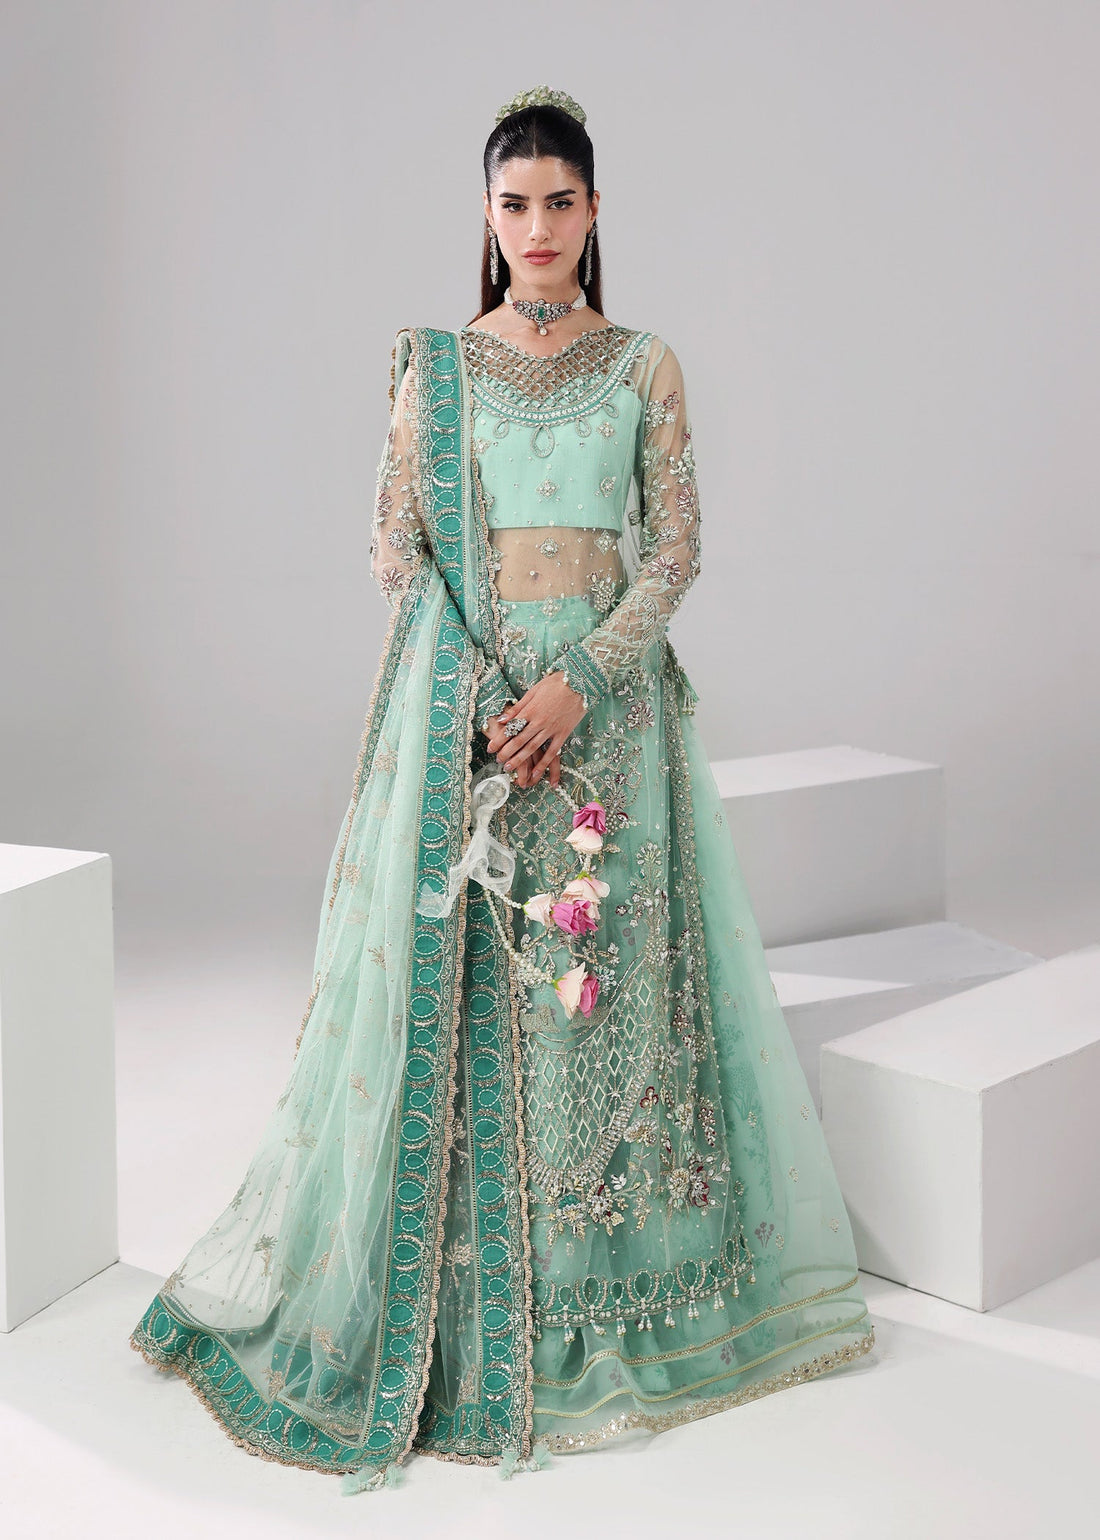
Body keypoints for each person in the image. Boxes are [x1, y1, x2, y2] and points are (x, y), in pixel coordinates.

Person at [129, 84, 875, 1495]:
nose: (538, 227)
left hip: (605, 718)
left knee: (605, 992)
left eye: (561, 202)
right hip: (472, 721)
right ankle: (479, 1295)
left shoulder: (645, 364)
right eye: (515, 203)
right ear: (486, 214)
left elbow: (674, 552)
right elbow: (396, 550)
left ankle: (611, 1296)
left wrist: (580, 680)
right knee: (482, 984)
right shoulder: (436, 368)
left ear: (595, 212)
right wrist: (481, 694)